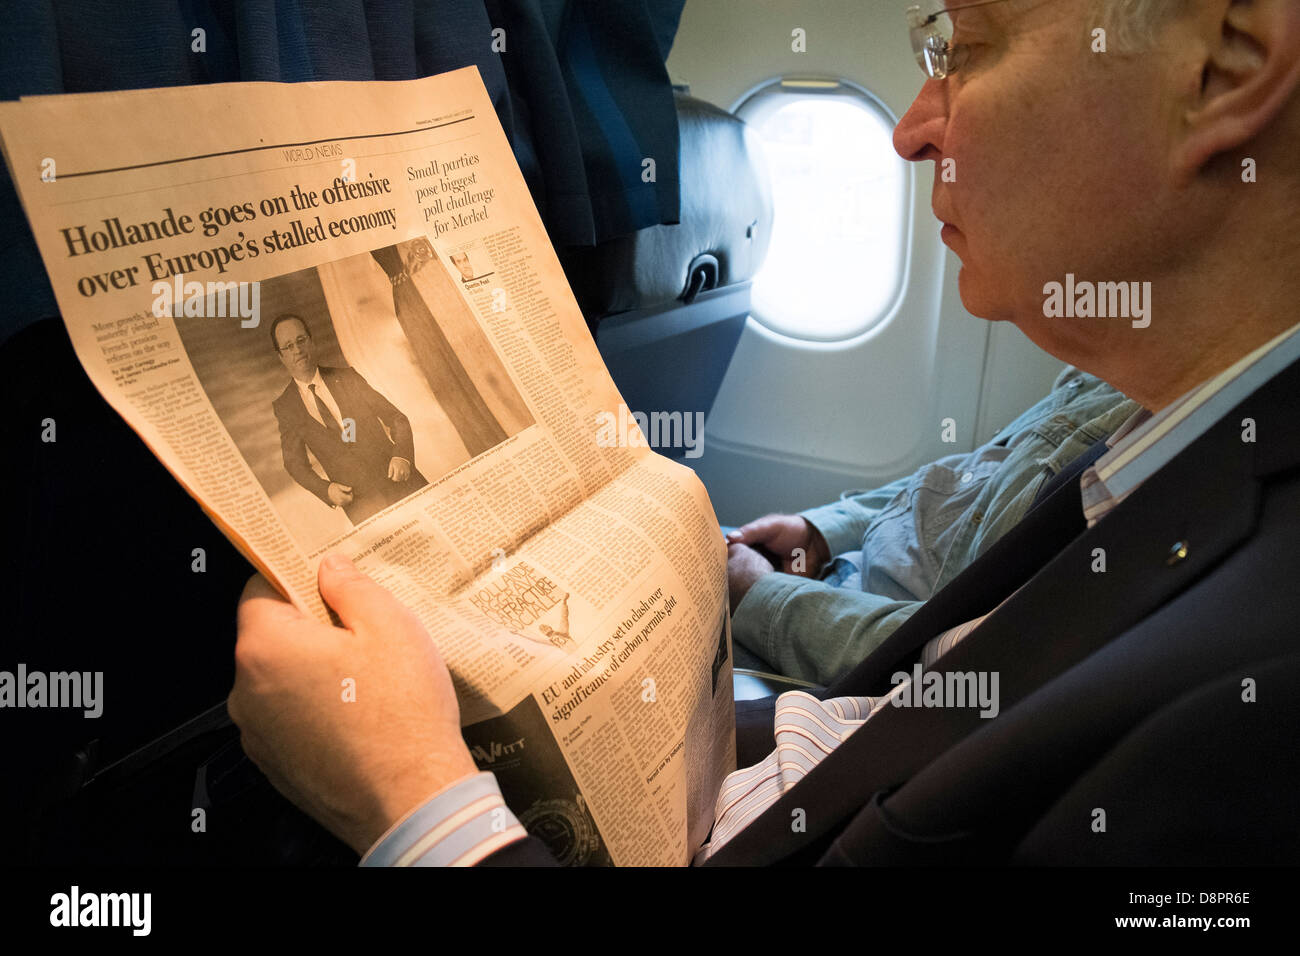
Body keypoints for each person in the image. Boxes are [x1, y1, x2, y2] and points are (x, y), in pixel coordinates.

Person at [230, 0, 1300, 865]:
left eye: (967, 47)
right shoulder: (1170, 444)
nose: (911, 126)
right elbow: (938, 697)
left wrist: (417, 805)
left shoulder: (1245, 712)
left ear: (1227, 65)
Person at [725, 368, 1137, 684]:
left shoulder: (1131, 459)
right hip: (826, 584)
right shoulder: (1105, 379)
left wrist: (763, 595)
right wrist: (820, 534)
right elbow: (974, 480)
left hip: (840, 653)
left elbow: (950, 654)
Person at [270, 313, 427, 525]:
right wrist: (326, 490)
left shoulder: (348, 378)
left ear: (311, 341)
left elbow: (397, 418)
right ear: (280, 356)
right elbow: (294, 463)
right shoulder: (285, 407)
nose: (297, 350)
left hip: (401, 482)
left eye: (301, 340)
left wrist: (402, 456)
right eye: (288, 346)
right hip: (361, 505)